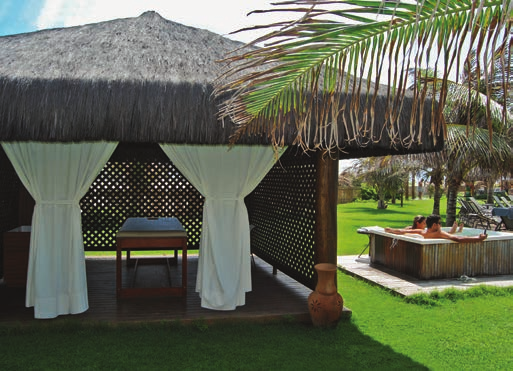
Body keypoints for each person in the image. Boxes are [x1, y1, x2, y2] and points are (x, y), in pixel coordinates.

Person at [385, 214, 487, 243]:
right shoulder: (439, 234)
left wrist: (390, 230)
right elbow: (458, 239)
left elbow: (403, 231)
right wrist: (479, 238)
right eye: (439, 223)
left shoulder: (422, 231)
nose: (440, 225)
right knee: (455, 233)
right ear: (434, 225)